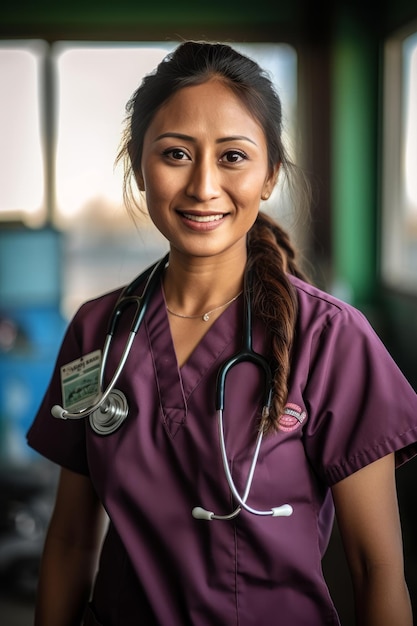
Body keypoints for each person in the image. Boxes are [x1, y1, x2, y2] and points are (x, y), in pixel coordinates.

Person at [27, 41, 417, 626]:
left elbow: (377, 568)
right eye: (176, 154)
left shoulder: (331, 338)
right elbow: (72, 540)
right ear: (139, 169)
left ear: (268, 176)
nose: (204, 186)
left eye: (233, 156)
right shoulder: (98, 331)